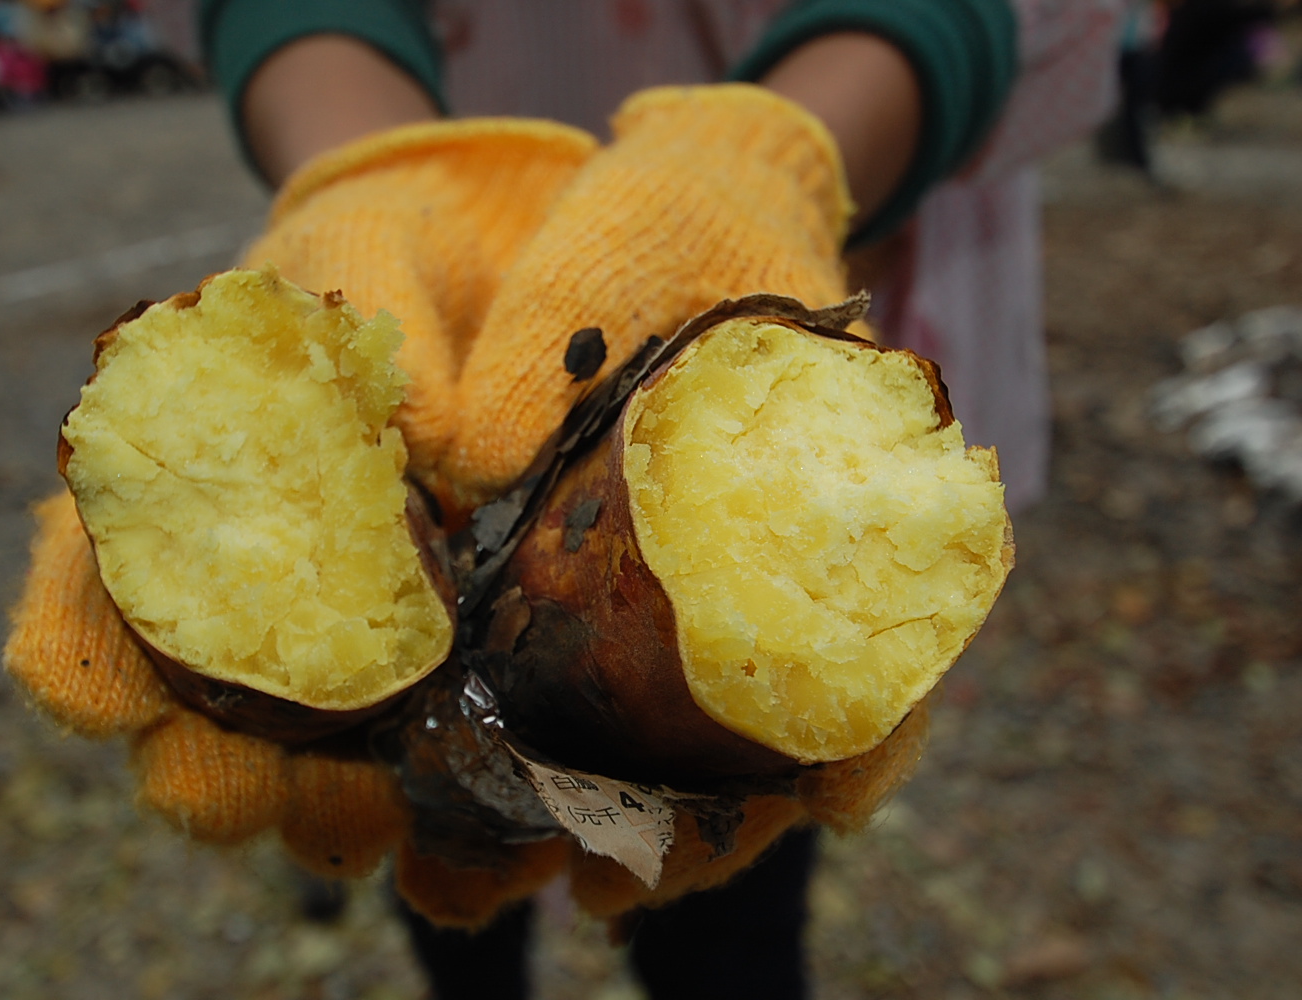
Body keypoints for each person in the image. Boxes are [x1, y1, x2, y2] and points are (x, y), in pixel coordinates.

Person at [179, 3, 1126, 997]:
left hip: (835, 185)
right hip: (446, 234)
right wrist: (369, 165)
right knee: (432, 813)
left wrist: (776, 154)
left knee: (720, 874)